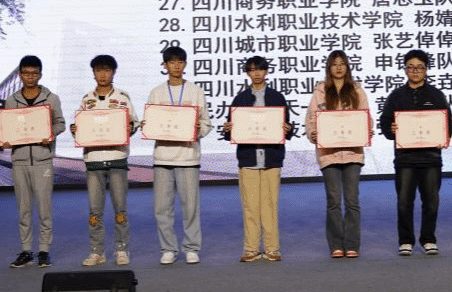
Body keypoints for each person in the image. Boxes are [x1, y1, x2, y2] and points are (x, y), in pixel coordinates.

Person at [378, 49, 452, 256]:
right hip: (405, 159)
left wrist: (443, 137)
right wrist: (391, 129)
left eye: (419, 67)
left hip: (431, 158)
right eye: (411, 67)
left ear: (426, 70)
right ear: (405, 70)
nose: (415, 71)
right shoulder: (396, 96)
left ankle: (428, 239)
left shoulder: (436, 95)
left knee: (431, 202)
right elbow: (385, 123)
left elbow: (447, 123)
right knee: (404, 203)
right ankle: (405, 240)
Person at [222, 56, 294, 262]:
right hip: (248, 158)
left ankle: (272, 248)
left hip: (271, 158)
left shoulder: (277, 97)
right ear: (247, 73)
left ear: (266, 71)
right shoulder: (240, 99)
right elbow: (231, 130)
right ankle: (251, 248)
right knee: (250, 206)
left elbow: (287, 127)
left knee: (270, 206)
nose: (257, 74)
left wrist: (288, 129)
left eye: (260, 69)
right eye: (252, 70)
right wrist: (228, 129)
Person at [145, 45, 212, 265]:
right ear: (165, 65)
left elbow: (206, 123)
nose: (176, 66)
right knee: (162, 208)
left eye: (180, 62)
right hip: (162, 157)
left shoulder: (195, 91)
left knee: (190, 207)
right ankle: (168, 248)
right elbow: (150, 122)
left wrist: (197, 131)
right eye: (171, 62)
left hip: (188, 156)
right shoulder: (157, 92)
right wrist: (148, 127)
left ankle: (191, 247)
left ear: (185, 64)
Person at [70, 54, 139, 267]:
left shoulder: (123, 97)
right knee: (94, 210)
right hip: (93, 159)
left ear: (113, 72)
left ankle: (121, 249)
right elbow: (80, 126)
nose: (103, 74)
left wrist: (129, 128)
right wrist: (75, 129)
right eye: (99, 70)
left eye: (107, 70)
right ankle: (96, 251)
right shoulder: (86, 99)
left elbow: (134, 123)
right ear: (93, 73)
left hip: (117, 157)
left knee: (120, 208)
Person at [6, 55, 66, 269]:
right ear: (20, 74)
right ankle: (25, 250)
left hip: (43, 159)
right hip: (20, 161)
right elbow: (8, 127)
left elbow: (61, 123)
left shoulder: (51, 98)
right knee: (23, 209)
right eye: (26, 73)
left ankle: (44, 251)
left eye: (34, 73)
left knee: (44, 208)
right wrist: (6, 138)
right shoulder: (12, 100)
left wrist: (50, 133)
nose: (30, 77)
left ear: (40, 75)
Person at [306, 50, 366, 258]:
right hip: (328, 154)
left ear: (347, 67)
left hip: (353, 153)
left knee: (352, 201)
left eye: (342, 64)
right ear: (329, 68)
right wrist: (313, 134)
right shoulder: (320, 91)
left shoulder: (357, 90)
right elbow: (311, 120)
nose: (339, 68)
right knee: (333, 202)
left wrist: (365, 130)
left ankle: (352, 244)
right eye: (334, 64)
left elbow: (366, 118)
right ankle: (336, 245)